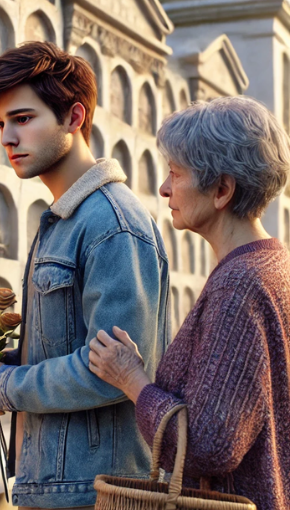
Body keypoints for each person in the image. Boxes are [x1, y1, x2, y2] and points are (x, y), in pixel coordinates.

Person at [0, 41, 170, 509]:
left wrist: (4, 386)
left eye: (23, 118)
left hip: (96, 493)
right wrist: (2, 369)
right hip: (53, 488)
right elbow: (74, 347)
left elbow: (114, 374)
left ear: (74, 118)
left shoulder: (112, 225)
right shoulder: (63, 220)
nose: (7, 138)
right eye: (1, 123)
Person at [88, 96, 290, 510]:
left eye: (175, 174)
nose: (163, 189)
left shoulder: (241, 286)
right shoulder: (274, 263)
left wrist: (131, 379)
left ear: (221, 190)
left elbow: (208, 445)